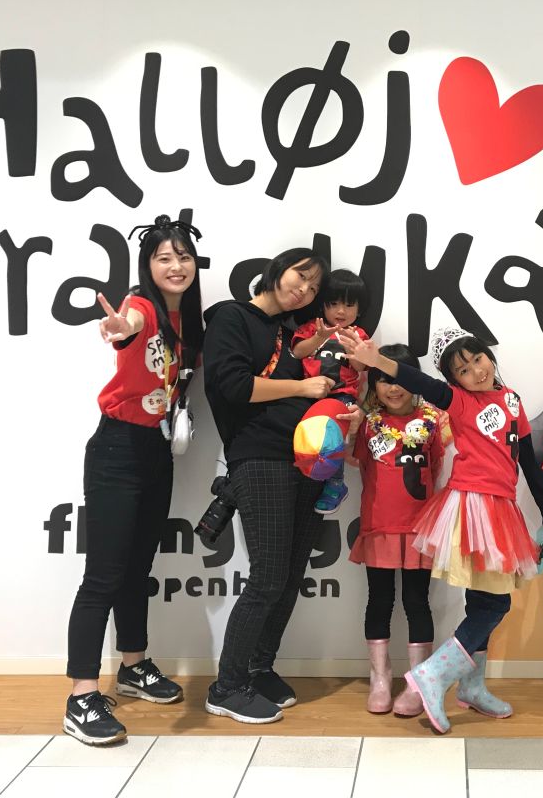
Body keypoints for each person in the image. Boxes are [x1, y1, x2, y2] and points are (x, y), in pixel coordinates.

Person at [341, 326, 543, 734]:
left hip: (503, 508)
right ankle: (433, 675)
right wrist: (377, 361)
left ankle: (472, 687)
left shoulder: (511, 399)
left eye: (478, 359)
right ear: (453, 380)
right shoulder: (458, 402)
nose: (476, 371)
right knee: (495, 604)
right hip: (474, 506)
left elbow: (527, 461)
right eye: (462, 369)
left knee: (482, 602)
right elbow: (420, 382)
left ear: (489, 356)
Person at [63, 215, 203, 746]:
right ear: (148, 266)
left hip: (157, 450)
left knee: (137, 569)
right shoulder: (142, 305)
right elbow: (130, 323)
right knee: (103, 575)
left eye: (183, 257)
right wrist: (122, 328)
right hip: (117, 448)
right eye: (164, 258)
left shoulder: (190, 320)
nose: (176, 266)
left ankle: (133, 666)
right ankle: (81, 696)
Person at [201, 247, 345, 725]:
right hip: (259, 458)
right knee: (266, 578)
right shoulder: (231, 317)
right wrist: (303, 388)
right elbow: (233, 386)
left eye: (313, 286)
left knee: (288, 575)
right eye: (300, 276)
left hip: (302, 461)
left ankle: (259, 668)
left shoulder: (286, 335)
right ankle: (226, 687)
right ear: (277, 270)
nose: (304, 289)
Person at [344, 344, 446, 716]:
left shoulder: (433, 420)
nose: (393, 387)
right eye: (384, 379)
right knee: (380, 600)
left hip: (419, 528)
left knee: (417, 602)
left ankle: (420, 682)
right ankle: (380, 677)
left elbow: (437, 468)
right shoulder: (368, 423)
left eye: (400, 378)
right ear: (374, 384)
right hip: (379, 527)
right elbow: (355, 462)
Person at [291, 268, 371, 516]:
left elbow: (361, 368)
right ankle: (305, 471)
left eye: (349, 305)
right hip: (309, 395)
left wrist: (354, 348)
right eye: (333, 304)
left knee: (332, 439)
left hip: (342, 396)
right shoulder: (311, 328)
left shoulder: (358, 334)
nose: (341, 311)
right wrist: (318, 337)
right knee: (306, 437)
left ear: (359, 309)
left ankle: (336, 483)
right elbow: (298, 352)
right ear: (322, 305)